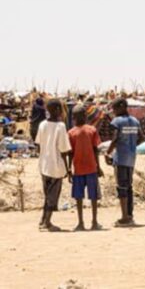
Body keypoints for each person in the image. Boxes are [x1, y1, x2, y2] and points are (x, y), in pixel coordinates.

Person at [36, 99, 71, 231]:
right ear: (57, 110)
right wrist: (67, 168)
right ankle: (47, 222)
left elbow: (39, 144)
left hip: (43, 165)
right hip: (55, 166)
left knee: (47, 194)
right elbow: (64, 149)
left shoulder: (42, 124)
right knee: (52, 195)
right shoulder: (60, 126)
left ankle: (43, 220)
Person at [105, 98, 141, 227]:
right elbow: (141, 138)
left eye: (114, 109)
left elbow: (115, 139)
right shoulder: (135, 121)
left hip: (120, 158)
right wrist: (131, 145)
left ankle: (124, 217)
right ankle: (130, 215)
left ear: (121, 107)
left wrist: (107, 153)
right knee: (129, 186)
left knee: (121, 187)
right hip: (131, 158)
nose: (113, 112)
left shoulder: (117, 122)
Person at [69, 105, 103, 231]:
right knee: (93, 196)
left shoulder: (71, 132)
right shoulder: (92, 130)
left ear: (73, 118)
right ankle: (94, 222)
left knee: (79, 197)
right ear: (86, 116)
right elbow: (96, 150)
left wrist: (69, 169)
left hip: (79, 168)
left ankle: (81, 223)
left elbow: (70, 153)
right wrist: (98, 167)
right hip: (90, 168)